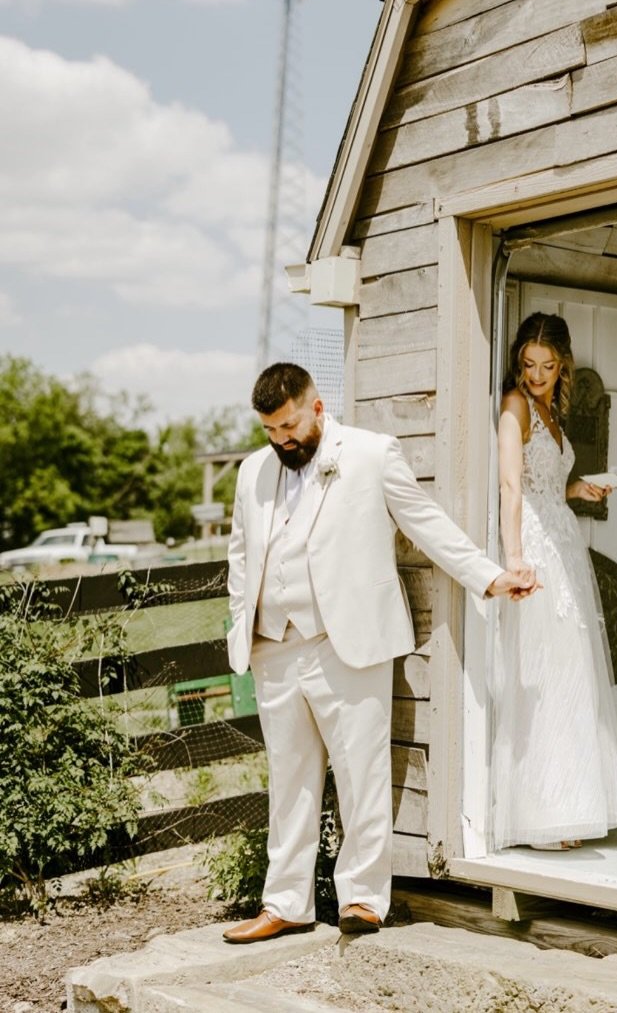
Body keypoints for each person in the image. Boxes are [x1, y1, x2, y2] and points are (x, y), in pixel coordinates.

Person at [222, 362, 535, 944]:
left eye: (288, 426)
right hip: (275, 648)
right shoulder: (251, 473)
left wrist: (489, 577)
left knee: (363, 775)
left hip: (350, 643)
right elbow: (241, 555)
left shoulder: (369, 453)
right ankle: (286, 903)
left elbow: (425, 523)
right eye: (270, 430)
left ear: (316, 407)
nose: (280, 439)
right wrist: (248, 631)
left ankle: (363, 899)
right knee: (288, 783)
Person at [493, 313, 617, 850]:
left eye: (547, 366)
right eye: (529, 365)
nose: (536, 375)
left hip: (563, 538)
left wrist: (580, 490)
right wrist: (514, 558)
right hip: (533, 544)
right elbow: (511, 485)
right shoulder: (515, 406)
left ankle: (569, 806)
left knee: (573, 671)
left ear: (562, 366)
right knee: (543, 670)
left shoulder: (552, 410)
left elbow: (547, 481)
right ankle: (541, 815)